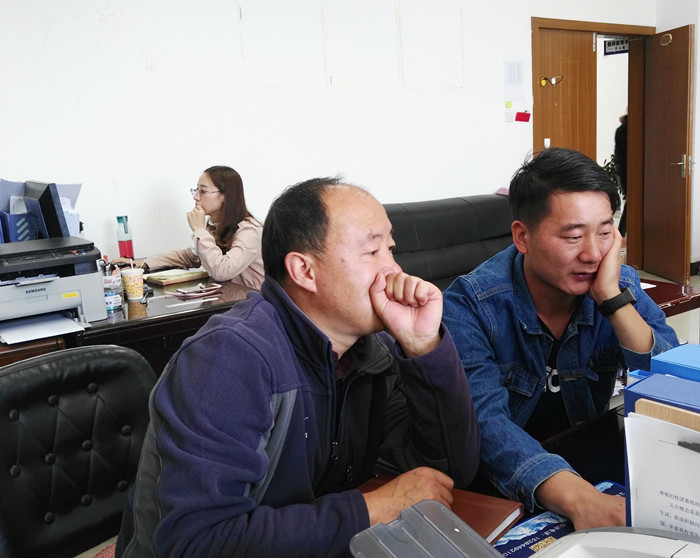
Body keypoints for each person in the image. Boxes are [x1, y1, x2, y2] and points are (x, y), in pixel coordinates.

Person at [116, 177, 480, 557]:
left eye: (390, 249)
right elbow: (198, 543)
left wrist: (424, 348)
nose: (394, 270)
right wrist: (370, 509)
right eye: (372, 252)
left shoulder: (373, 353)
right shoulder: (227, 358)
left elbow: (449, 470)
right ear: (304, 271)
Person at [442, 147, 679, 531]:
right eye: (573, 236)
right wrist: (581, 499)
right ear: (522, 236)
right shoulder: (470, 305)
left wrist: (612, 300)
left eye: (605, 233)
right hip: (504, 485)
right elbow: (485, 424)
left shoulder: (619, 284)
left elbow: (674, 386)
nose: (593, 253)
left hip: (587, 458)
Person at [115, 165, 264, 289]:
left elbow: (222, 271)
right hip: (230, 301)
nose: (196, 197)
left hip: (254, 304)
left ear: (225, 196)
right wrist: (144, 263)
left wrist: (199, 231)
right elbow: (190, 257)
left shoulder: (249, 231)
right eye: (196, 190)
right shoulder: (215, 226)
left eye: (203, 191)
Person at [614, 114, 628, 236]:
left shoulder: (621, 129)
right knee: (633, 203)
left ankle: (621, 233)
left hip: (621, 171)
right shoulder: (631, 128)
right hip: (629, 170)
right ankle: (621, 234)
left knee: (630, 202)